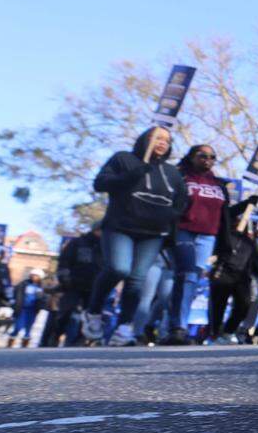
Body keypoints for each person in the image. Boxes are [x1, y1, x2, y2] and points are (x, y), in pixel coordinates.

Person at [82, 127, 188, 346]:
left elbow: (182, 201)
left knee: (136, 280)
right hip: (120, 227)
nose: (162, 143)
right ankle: (93, 312)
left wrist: (170, 216)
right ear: (145, 139)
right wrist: (132, 175)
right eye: (157, 138)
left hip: (153, 233)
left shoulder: (172, 172)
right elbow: (100, 184)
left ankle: (124, 326)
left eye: (167, 140)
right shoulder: (123, 159)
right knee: (118, 268)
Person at [167, 145, 229, 344]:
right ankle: (178, 327)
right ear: (191, 157)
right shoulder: (179, 177)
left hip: (208, 237)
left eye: (212, 157)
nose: (207, 160)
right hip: (183, 230)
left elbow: (225, 215)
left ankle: (172, 324)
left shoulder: (219, 184)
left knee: (192, 280)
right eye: (202, 155)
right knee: (187, 275)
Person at [207, 197, 258, 344]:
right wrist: (246, 203)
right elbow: (227, 213)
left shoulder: (250, 241)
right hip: (223, 273)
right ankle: (215, 333)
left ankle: (229, 330)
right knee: (218, 306)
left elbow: (255, 260)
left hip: (242, 277)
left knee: (244, 304)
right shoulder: (224, 234)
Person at [48, 229, 103, 346]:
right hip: (73, 285)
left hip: (94, 287)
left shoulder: (106, 246)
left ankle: (80, 340)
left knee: (89, 316)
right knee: (66, 312)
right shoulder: (77, 243)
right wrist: (64, 277)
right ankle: (56, 334)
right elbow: (64, 261)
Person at [9, 269, 46, 347]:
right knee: (18, 326)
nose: (34, 277)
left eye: (36, 276)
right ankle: (12, 339)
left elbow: (43, 298)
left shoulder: (41, 287)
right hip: (22, 308)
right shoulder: (23, 284)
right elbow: (16, 294)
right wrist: (14, 303)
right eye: (33, 275)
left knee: (29, 326)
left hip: (33, 309)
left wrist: (41, 305)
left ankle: (25, 342)